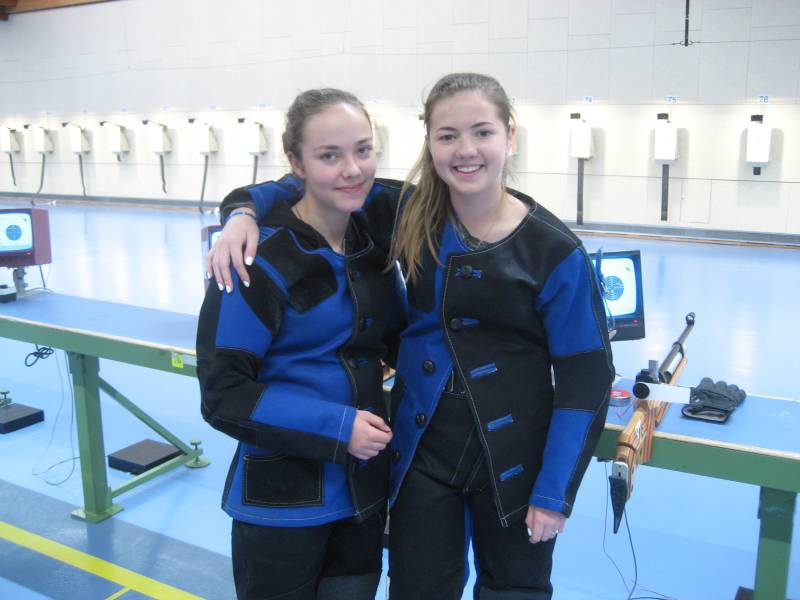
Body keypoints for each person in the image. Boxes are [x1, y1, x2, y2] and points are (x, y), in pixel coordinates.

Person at [209, 73, 614, 600]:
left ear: (509, 136)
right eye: (447, 135)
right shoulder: (406, 211)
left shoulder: (554, 251)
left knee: (515, 587)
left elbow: (587, 375)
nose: (466, 150)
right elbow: (312, 182)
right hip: (424, 455)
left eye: (483, 132)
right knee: (418, 587)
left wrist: (555, 491)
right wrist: (242, 211)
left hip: (516, 458)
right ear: (429, 142)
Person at [196, 88, 405, 600]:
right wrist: (338, 427)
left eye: (362, 149)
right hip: (282, 507)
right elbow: (223, 394)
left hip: (361, 492)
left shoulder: (370, 246)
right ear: (297, 163)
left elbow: (399, 338)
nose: (352, 169)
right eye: (329, 156)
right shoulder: (256, 261)